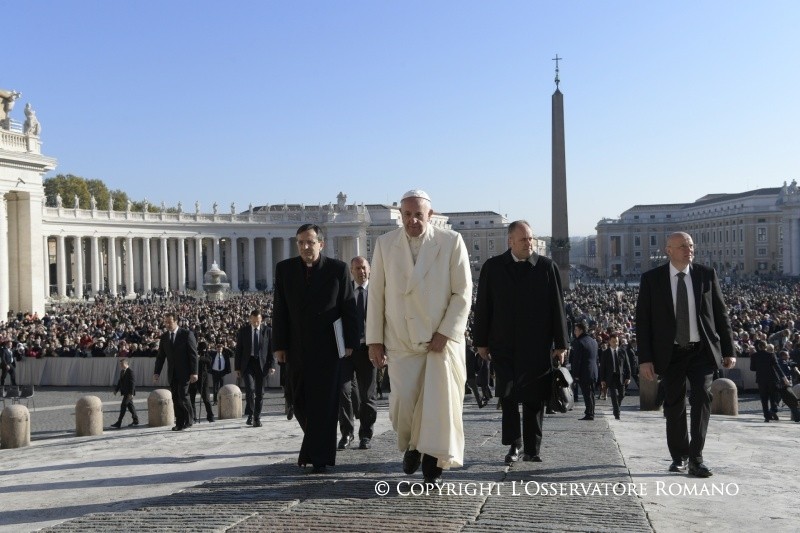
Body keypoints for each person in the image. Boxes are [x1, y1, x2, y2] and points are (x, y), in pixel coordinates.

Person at [367, 189, 472, 485]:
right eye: (407, 215)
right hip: (401, 339)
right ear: (401, 216)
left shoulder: (451, 241)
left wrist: (446, 332)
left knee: (438, 405)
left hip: (439, 340)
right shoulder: (385, 244)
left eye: (418, 214)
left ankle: (432, 459)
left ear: (430, 214)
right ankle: (411, 445)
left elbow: (462, 293)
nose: (413, 220)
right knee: (403, 403)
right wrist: (374, 339)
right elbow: (376, 295)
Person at [635, 231, 736, 477]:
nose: (688, 249)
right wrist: (645, 358)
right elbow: (643, 321)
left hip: (700, 350)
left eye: (690, 245)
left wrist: (728, 349)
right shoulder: (652, 279)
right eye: (682, 246)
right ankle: (679, 456)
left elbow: (720, 314)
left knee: (702, 398)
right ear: (668, 250)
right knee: (674, 405)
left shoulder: (706, 275)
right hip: (670, 352)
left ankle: (696, 458)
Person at [473, 220, 569, 465]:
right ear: (511, 241)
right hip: (503, 346)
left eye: (531, 239)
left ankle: (532, 448)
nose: (529, 243)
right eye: (524, 239)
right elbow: (483, 307)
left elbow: (557, 306)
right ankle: (514, 444)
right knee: (508, 396)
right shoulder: (493, 268)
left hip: (537, 346)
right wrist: (481, 342)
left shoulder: (547, 267)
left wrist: (561, 343)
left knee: (534, 399)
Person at [272, 224, 359, 473]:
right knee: (297, 399)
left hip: (328, 348)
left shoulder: (338, 269)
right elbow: (280, 309)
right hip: (296, 346)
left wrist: (351, 342)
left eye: (310, 242)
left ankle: (318, 457)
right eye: (300, 242)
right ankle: (313, 446)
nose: (305, 247)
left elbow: (348, 307)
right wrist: (279, 344)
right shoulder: (285, 269)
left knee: (323, 403)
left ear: (321, 243)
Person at [338, 256, 379, 450]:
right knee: (343, 391)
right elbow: (337, 321)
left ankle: (366, 434)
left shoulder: (378, 292)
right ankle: (347, 433)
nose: (361, 271)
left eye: (363, 268)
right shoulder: (344, 293)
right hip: (347, 350)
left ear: (369, 270)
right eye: (356, 268)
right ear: (351, 272)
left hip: (370, 349)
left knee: (367, 395)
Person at [153, 311, 199, 431]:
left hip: (185, 372)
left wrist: (194, 372)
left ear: (176, 321)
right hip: (172, 373)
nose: (167, 324)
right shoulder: (164, 337)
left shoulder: (186, 334)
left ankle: (189, 419)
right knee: (175, 398)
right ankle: (179, 422)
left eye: (170, 322)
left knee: (183, 395)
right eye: (166, 322)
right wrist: (157, 372)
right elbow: (161, 357)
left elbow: (193, 355)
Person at [235, 309, 275, 427]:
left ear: (261, 320)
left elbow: (271, 350)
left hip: (261, 365)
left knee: (259, 393)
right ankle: (251, 414)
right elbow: (239, 350)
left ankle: (257, 417)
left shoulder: (268, 331)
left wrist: (272, 365)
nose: (256, 323)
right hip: (247, 364)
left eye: (258, 321)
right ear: (250, 319)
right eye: (254, 321)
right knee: (249, 389)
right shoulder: (243, 331)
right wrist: (237, 368)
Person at [751, 341, 800, 422]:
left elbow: (752, 368)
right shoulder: (771, 355)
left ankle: (766, 417)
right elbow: (777, 368)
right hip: (772, 379)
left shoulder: (754, 356)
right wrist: (784, 378)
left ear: (759, 347)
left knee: (764, 398)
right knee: (773, 397)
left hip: (761, 379)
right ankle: (773, 410)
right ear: (766, 347)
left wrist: (760, 367)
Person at [599, 333, 631, 420]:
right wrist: (602, 379)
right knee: (613, 395)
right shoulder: (605, 353)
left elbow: (627, 365)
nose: (615, 343)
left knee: (622, 394)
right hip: (610, 377)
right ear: (609, 342)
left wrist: (628, 377)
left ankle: (616, 406)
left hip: (620, 376)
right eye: (613, 342)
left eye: (616, 341)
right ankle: (617, 413)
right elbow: (602, 367)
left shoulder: (622, 352)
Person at [570, 321, 598, 420]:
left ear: (581, 330)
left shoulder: (579, 342)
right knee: (591, 393)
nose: (574, 332)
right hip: (593, 371)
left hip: (584, 372)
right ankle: (591, 412)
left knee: (587, 394)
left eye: (576, 330)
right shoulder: (593, 341)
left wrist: (575, 375)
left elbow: (577, 360)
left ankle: (589, 414)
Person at [189, 341, 215, 423]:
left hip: (203, 379)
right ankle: (193, 417)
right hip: (192, 379)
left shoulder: (205, 354)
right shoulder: (193, 353)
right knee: (191, 400)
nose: (204, 349)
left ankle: (210, 416)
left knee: (206, 399)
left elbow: (209, 361)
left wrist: (200, 358)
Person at [110, 358, 138, 428]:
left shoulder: (130, 371)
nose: (121, 366)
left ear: (126, 364)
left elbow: (132, 383)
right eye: (120, 364)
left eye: (122, 364)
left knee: (123, 406)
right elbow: (120, 382)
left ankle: (119, 422)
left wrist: (131, 394)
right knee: (130, 406)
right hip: (125, 392)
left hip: (128, 393)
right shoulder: (122, 371)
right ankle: (136, 420)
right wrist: (116, 390)